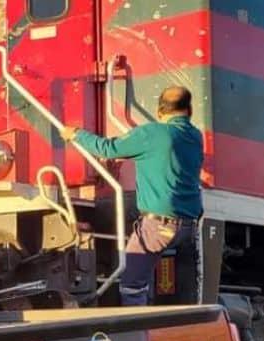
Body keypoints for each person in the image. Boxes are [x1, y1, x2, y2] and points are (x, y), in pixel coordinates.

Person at [60, 86, 204, 306]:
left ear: (160, 112)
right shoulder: (195, 136)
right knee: (158, 287)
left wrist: (76, 134)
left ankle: (139, 335)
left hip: (159, 226)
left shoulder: (152, 133)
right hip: (187, 227)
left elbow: (107, 149)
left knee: (131, 285)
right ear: (189, 109)